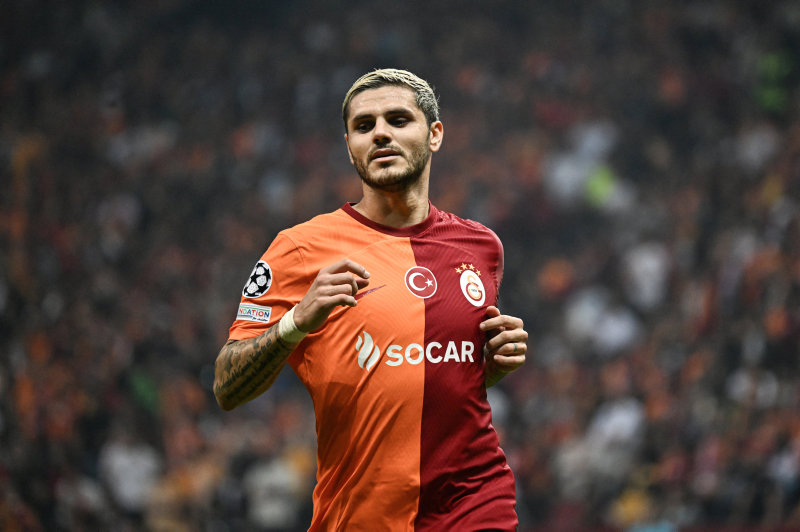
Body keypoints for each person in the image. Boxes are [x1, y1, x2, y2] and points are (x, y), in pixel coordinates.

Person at [214, 68, 528, 531]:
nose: (380, 133)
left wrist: (492, 365)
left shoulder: (481, 247)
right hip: (362, 514)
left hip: (475, 501)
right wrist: (296, 322)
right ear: (350, 147)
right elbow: (227, 386)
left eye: (398, 120)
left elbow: (445, 379)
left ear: (435, 135)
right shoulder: (299, 249)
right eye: (364, 126)